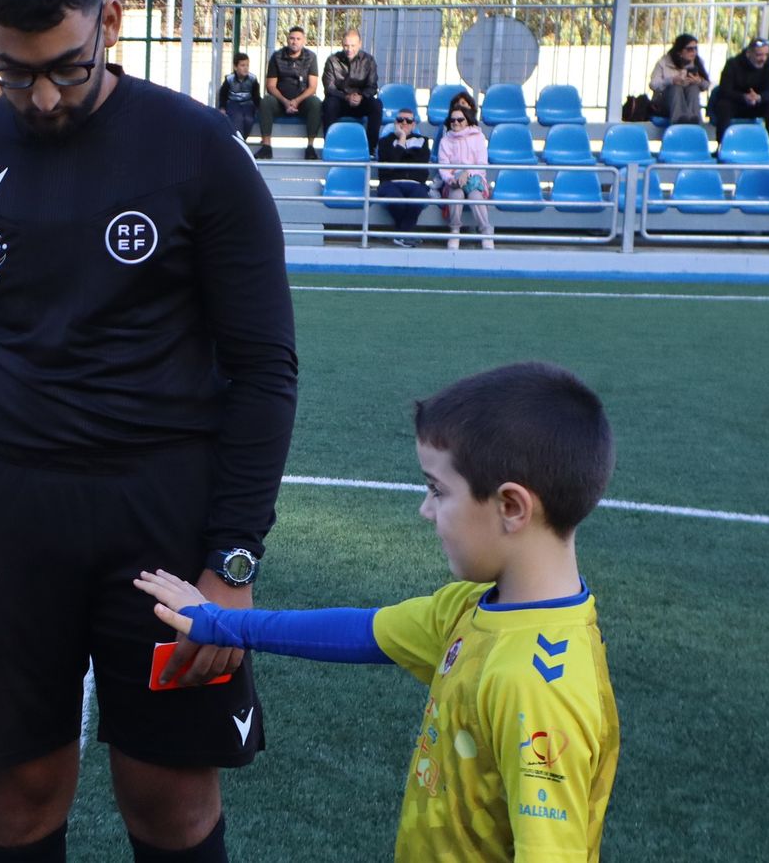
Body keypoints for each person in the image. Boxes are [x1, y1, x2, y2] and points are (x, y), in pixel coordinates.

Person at [0, 0, 298, 863]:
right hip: (4, 511)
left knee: (170, 799)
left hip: (164, 506)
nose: (42, 96)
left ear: (109, 21)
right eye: (12, 72)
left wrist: (233, 559)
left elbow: (265, 367)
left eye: (67, 68)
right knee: (18, 799)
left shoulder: (199, 151)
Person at [135, 362, 620, 863]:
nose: (425, 510)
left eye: (438, 490)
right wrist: (221, 621)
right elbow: (360, 632)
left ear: (512, 507)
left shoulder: (537, 684)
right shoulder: (475, 606)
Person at [256, 26, 322, 159]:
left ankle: (310, 147)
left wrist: (296, 101)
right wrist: (285, 101)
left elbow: (312, 87)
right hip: (280, 102)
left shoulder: (311, 57)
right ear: (287, 40)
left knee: (315, 103)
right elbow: (271, 86)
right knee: (266, 101)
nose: (294, 41)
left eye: (298, 39)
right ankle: (266, 147)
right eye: (292, 38)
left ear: (304, 41)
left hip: (302, 102)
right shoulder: (277, 56)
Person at [437, 106, 493, 250]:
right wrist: (451, 179)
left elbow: (482, 164)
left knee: (475, 196)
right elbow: (443, 167)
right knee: (456, 194)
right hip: (454, 180)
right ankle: (455, 231)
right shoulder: (445, 140)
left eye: (460, 119)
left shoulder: (478, 137)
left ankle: (486, 232)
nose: (456, 122)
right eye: (452, 120)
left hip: (475, 179)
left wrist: (467, 172)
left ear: (467, 120)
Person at [375, 109, 434, 246]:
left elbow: (420, 163)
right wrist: (402, 140)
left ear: (414, 124)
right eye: (400, 120)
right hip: (390, 183)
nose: (404, 123)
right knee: (396, 200)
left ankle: (401, 235)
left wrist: (398, 153)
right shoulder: (384, 141)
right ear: (395, 123)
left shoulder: (423, 141)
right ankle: (406, 234)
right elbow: (390, 165)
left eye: (408, 120)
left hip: (415, 183)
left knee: (418, 199)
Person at [709, 37, 769, 145]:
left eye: (766, 54)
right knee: (723, 105)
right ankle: (722, 144)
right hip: (736, 103)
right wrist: (744, 97)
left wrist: (759, 97)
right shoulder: (733, 64)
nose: (763, 59)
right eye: (759, 55)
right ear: (749, 53)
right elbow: (725, 90)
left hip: (758, 103)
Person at [321, 29, 383, 152]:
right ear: (342, 44)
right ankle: (331, 145)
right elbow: (329, 87)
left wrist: (361, 96)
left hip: (361, 101)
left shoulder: (369, 60)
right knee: (329, 104)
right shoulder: (332, 61)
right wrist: (346, 97)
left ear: (360, 44)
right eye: (346, 45)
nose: (349, 49)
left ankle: (371, 148)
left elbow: (372, 86)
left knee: (376, 105)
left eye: (353, 45)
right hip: (340, 101)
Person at [648, 34, 710, 126]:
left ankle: (694, 121)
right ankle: (678, 121)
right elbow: (653, 84)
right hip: (665, 103)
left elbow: (707, 85)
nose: (693, 52)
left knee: (693, 88)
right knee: (676, 88)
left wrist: (699, 81)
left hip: (688, 102)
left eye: (695, 48)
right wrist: (671, 80)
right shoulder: (664, 62)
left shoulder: (697, 62)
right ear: (679, 51)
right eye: (689, 49)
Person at [215, 52, 260, 140]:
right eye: (242, 65)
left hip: (248, 103)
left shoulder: (252, 79)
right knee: (237, 119)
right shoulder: (229, 79)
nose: (245, 68)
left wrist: (258, 107)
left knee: (249, 120)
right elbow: (223, 95)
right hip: (233, 103)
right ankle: (239, 141)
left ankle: (242, 139)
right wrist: (222, 107)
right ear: (235, 67)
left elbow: (256, 95)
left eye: (247, 65)